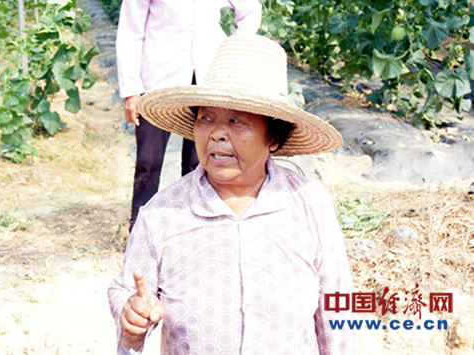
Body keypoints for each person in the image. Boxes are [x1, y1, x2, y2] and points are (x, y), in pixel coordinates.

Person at [109, 35, 357, 354]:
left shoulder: (308, 204)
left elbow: (336, 306)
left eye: (237, 121)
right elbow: (128, 291)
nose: (217, 134)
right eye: (206, 118)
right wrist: (131, 320)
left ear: (274, 137)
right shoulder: (163, 213)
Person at [116, 0, 262, 230]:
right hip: (158, 79)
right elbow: (130, 30)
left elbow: (250, 10)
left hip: (206, 79)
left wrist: (234, 48)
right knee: (149, 159)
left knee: (200, 160)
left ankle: (196, 223)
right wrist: (131, 90)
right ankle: (140, 226)